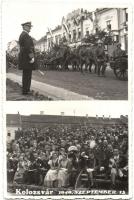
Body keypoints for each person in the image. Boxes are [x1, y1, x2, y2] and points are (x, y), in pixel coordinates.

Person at [18, 22, 38, 95]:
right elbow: (28, 48)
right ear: (24, 27)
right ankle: (26, 91)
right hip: (27, 59)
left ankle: (25, 90)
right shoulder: (26, 35)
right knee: (27, 75)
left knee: (26, 75)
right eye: (28, 26)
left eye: (30, 27)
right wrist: (32, 57)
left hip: (24, 58)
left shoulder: (23, 35)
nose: (30, 28)